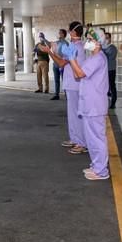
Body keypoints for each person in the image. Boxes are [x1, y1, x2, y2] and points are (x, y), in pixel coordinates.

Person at [62, 28, 110, 180]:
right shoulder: (92, 57)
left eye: (90, 39)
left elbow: (80, 73)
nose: (87, 41)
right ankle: (97, 166)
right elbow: (77, 75)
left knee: (97, 138)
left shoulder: (98, 58)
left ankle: (102, 171)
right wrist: (72, 60)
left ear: (98, 42)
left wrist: (71, 59)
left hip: (95, 104)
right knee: (91, 138)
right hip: (89, 103)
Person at [41, 21, 87, 154]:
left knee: (77, 114)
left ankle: (81, 142)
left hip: (75, 84)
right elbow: (64, 61)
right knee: (72, 114)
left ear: (73, 32)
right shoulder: (76, 45)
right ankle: (75, 138)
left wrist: (49, 51)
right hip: (72, 84)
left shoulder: (76, 47)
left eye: (69, 30)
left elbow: (61, 63)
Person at [102, 32, 118, 109]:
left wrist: (101, 50)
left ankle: (113, 103)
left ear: (110, 38)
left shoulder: (112, 48)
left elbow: (108, 57)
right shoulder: (103, 47)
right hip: (103, 70)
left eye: (107, 38)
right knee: (105, 86)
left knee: (112, 86)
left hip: (110, 70)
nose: (106, 39)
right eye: (105, 38)